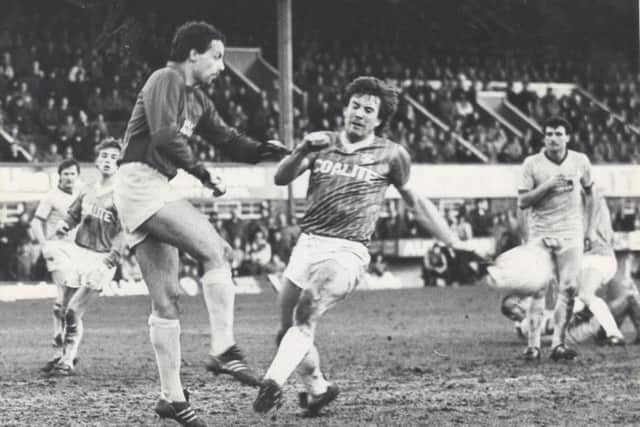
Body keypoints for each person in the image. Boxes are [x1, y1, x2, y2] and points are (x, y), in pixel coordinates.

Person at [252, 76, 474, 416]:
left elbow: (415, 203)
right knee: (288, 333)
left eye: (368, 109)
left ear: (380, 118)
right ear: (344, 108)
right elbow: (281, 178)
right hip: (307, 244)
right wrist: (301, 149)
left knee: (308, 306)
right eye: (354, 105)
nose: (359, 113)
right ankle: (317, 390)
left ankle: (272, 383)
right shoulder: (322, 142)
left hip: (347, 250)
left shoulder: (392, 154)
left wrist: (452, 241)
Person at [113, 21, 289, 427]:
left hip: (150, 186)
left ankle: (171, 398)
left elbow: (229, 139)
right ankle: (224, 349)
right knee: (218, 251)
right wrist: (204, 174)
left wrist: (266, 150)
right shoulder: (166, 79)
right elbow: (162, 137)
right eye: (217, 56)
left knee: (168, 299)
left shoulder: (198, 100)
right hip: (141, 182)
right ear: (194, 54)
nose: (222, 66)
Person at [42, 138, 123, 376]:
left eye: (114, 157)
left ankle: (67, 359)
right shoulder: (86, 189)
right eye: (104, 156)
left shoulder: (122, 195)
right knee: (64, 307)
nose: (108, 161)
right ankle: (62, 355)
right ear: (97, 161)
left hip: (102, 258)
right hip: (79, 254)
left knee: (73, 311)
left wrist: (115, 254)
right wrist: (65, 226)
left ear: (120, 164)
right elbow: (73, 215)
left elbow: (126, 229)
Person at [517, 116, 594, 361]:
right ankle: (533, 346)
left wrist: (589, 229)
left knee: (569, 288)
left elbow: (590, 194)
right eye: (549, 134)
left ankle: (558, 344)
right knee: (538, 288)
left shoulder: (580, 161)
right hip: (541, 233)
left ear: (567, 137)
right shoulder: (532, 164)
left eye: (558, 133)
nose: (553, 138)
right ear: (544, 137)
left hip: (571, 233)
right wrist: (548, 185)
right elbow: (523, 201)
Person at [31, 159, 81, 347]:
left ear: (78, 176)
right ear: (59, 176)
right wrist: (45, 245)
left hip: (77, 249)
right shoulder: (51, 197)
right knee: (63, 292)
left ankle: (58, 334)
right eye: (66, 173)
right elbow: (36, 222)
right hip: (57, 248)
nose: (69, 177)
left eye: (72, 174)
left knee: (71, 295)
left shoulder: (81, 196)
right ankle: (60, 333)